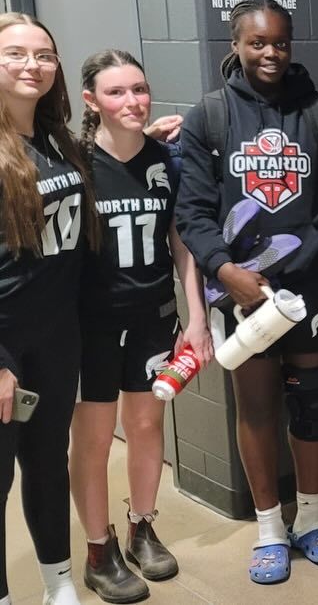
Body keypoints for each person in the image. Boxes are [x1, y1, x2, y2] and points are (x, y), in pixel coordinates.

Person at [176, 0, 318, 584]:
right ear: (235, 44)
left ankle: (310, 518)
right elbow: (193, 210)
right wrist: (222, 269)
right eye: (257, 43)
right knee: (256, 408)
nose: (270, 53)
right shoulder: (209, 115)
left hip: (309, 291)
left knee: (311, 403)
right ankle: (269, 529)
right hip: (242, 293)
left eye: (280, 42)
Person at [69, 50, 212, 602]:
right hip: (92, 326)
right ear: (91, 102)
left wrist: (196, 317)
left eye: (139, 89)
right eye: (116, 92)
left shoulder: (165, 159)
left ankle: (142, 527)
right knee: (96, 438)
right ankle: (98, 550)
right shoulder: (72, 163)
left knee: (148, 426)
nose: (131, 101)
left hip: (154, 318)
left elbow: (181, 242)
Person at [0, 12, 100, 605]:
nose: (32, 65)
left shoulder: (56, 137)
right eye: (15, 53)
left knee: (46, 463)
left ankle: (57, 584)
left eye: (44, 54)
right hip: (5, 339)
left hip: (56, 336)